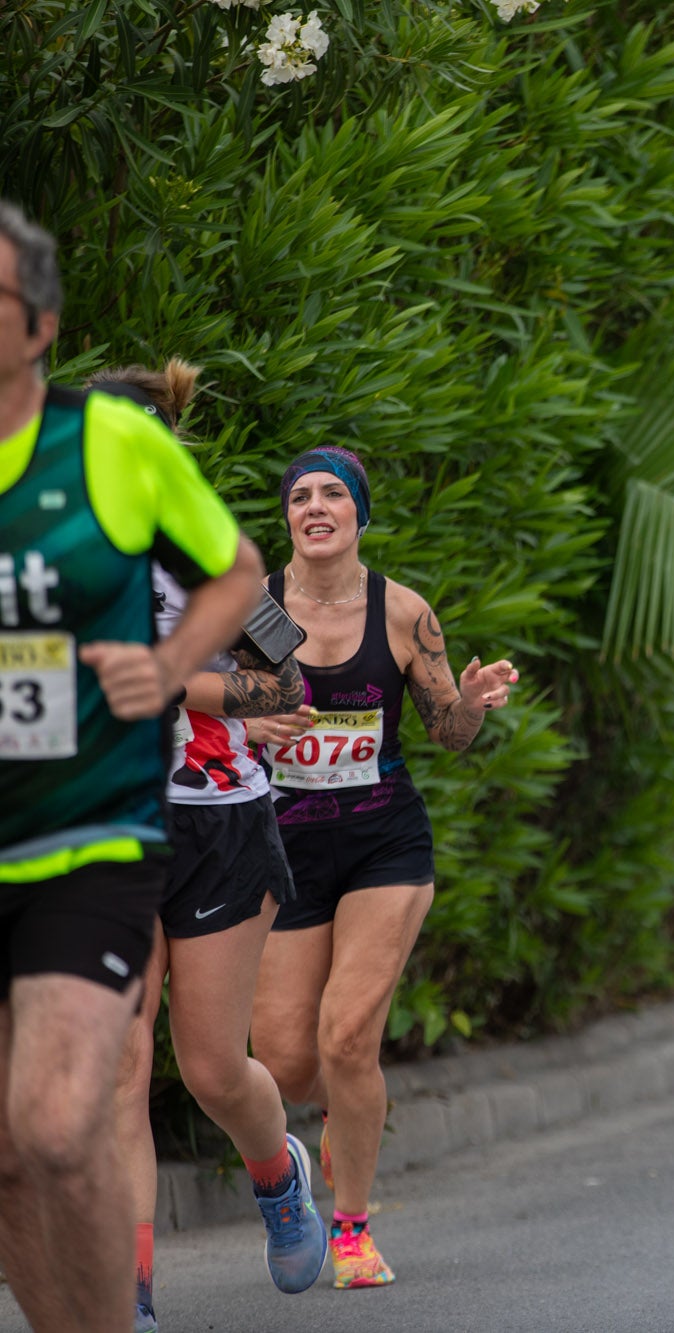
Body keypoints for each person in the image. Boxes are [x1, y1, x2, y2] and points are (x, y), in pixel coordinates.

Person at [0, 201, 264, 1333]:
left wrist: (177, 676)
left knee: (122, 1096)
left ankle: (267, 1184)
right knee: (39, 1135)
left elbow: (278, 666)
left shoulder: (122, 467)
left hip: (156, 817)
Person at [86, 361, 327, 1330]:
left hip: (220, 821)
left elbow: (288, 689)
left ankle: (278, 1177)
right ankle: (131, 1298)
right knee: (115, 1071)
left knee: (213, 1069)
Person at [248, 445, 518, 1291]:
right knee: (286, 1060)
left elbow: (447, 732)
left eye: (334, 493)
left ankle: (354, 1229)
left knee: (348, 1035)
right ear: (287, 516)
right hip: (284, 845)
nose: (316, 505)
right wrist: (252, 731)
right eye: (301, 496)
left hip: (383, 843)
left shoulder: (401, 612)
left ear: (360, 513)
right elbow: (212, 718)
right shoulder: (254, 613)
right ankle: (324, 1125)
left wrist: (468, 704)